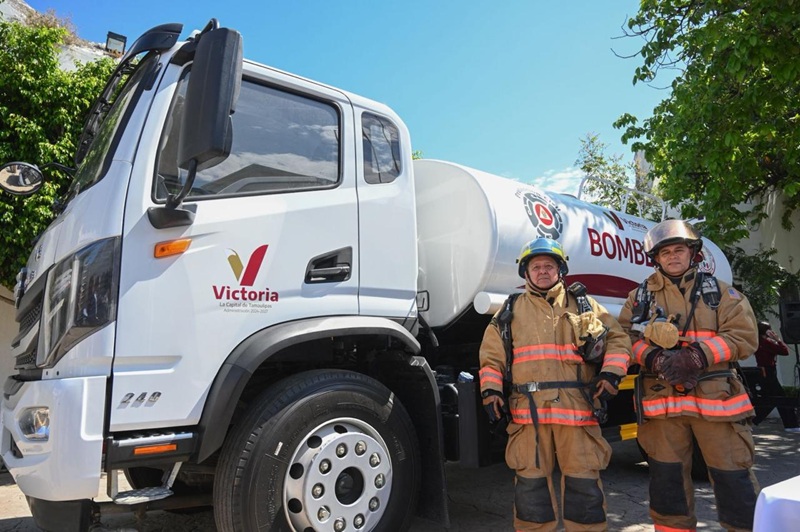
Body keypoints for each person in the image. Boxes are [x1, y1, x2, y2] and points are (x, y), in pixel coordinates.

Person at [479, 237, 631, 531]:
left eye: (549, 266)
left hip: (578, 412)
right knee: (530, 488)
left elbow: (619, 340)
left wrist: (611, 374)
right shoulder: (510, 310)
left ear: (560, 270)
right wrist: (491, 391)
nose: (543, 272)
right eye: (536, 267)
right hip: (528, 416)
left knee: (583, 485)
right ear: (526, 272)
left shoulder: (584, 305)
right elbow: (491, 356)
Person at [618, 219, 760, 532]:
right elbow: (622, 338)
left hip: (716, 405)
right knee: (667, 486)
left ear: (692, 253)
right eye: (665, 252)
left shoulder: (720, 293)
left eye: (678, 250)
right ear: (656, 258)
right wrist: (653, 357)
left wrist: (697, 355)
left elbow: (744, 336)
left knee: (733, 479)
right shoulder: (639, 298)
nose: (672, 256)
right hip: (662, 408)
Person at [753, 321, 800, 431]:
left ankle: (753, 420)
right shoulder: (766, 342)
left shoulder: (758, 342)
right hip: (769, 372)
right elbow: (784, 351)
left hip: (763, 372)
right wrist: (778, 340)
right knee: (780, 398)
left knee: (769, 400)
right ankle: (791, 425)